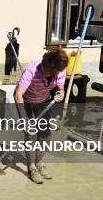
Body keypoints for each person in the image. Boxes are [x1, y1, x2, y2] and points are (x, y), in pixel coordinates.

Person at [14, 49, 69, 184]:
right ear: (45, 65)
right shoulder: (32, 70)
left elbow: (60, 90)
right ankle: (31, 167)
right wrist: (25, 120)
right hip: (25, 100)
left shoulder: (60, 70)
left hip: (43, 100)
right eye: (49, 71)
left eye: (54, 73)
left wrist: (60, 94)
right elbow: (18, 95)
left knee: (45, 135)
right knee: (31, 134)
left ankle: (39, 163)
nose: (51, 74)